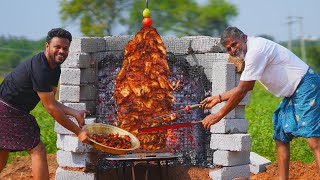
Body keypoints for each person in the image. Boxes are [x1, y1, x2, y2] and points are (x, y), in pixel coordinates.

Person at [200, 26, 320, 179]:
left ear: (243, 37)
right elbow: (243, 87)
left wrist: (219, 115)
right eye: (228, 49)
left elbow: (244, 89)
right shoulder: (251, 51)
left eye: (234, 44)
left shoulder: (256, 51)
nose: (232, 50)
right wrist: (218, 97)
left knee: (314, 139)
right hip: (294, 93)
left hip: (306, 86)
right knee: (281, 136)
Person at [0, 28, 91, 180]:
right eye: (57, 47)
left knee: (2, 153)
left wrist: (74, 112)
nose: (61, 51)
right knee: (37, 150)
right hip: (7, 110)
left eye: (65, 48)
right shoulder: (40, 68)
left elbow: (51, 101)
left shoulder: (55, 69)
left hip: (11, 109)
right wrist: (78, 132)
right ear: (47, 46)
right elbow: (50, 108)